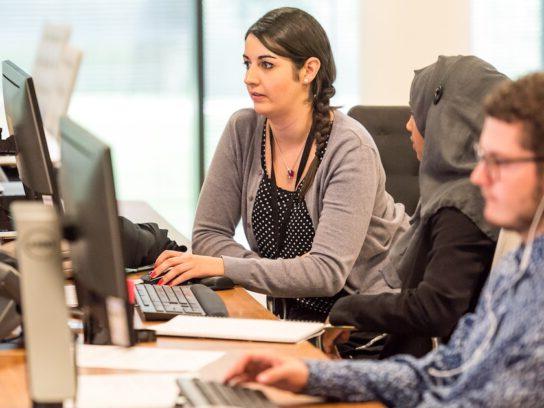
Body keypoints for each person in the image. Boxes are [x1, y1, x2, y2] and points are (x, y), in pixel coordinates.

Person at [224, 72, 544, 406]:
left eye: (499, 161)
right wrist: (312, 375)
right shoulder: (519, 267)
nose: (479, 175)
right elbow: (444, 370)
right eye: (482, 157)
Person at [151, 7, 408, 321]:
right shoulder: (243, 130)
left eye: (267, 65)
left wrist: (225, 265)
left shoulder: (349, 148)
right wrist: (272, 272)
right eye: (248, 64)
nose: (250, 78)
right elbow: (208, 235)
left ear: (309, 70)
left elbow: (326, 273)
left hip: (363, 328)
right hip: (291, 321)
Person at [324, 56, 507, 359]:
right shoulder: (462, 193)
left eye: (416, 112)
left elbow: (436, 309)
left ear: (446, 119)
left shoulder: (462, 205)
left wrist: (348, 309)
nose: (408, 125)